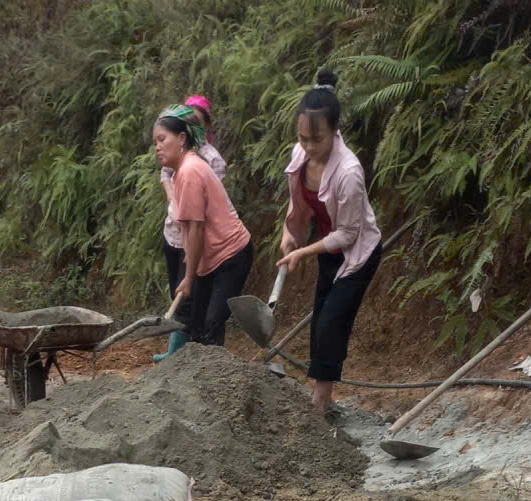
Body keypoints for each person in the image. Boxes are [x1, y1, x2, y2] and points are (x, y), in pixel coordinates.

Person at [274, 70, 382, 418]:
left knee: (332, 322)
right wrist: (290, 232)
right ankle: (327, 398)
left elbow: (348, 234)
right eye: (302, 137)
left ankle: (319, 403)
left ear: (335, 131)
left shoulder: (349, 172)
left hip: (357, 254)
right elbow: (299, 203)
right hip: (328, 251)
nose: (307, 146)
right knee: (320, 317)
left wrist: (305, 251)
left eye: (315, 139)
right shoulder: (301, 155)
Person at [152, 104, 252, 352]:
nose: (157, 147)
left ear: (182, 138)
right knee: (196, 326)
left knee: (211, 325)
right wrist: (191, 273)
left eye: (162, 139)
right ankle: (194, 381)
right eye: (155, 142)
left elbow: (196, 230)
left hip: (231, 256)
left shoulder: (189, 171)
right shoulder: (182, 171)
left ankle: (216, 386)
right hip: (210, 261)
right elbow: (189, 232)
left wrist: (188, 277)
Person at [155, 94, 228, 362]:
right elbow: (165, 176)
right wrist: (175, 201)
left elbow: (207, 206)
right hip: (172, 235)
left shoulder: (206, 160)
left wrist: (184, 209)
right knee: (179, 291)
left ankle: (181, 357)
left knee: (190, 298)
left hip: (195, 240)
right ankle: (177, 354)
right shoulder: (176, 155)